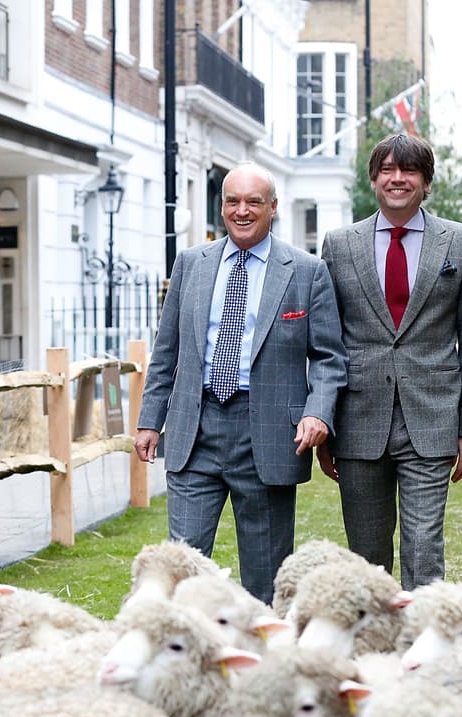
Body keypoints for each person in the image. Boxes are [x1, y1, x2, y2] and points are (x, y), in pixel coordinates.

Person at [134, 163, 347, 604]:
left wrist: (317, 411)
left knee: (265, 579)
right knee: (180, 568)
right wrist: (150, 420)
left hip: (268, 439)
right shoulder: (191, 264)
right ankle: (183, 658)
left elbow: (329, 358)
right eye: (233, 201)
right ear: (222, 207)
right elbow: (167, 350)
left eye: (254, 202)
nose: (242, 211)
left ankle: (263, 663)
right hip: (195, 431)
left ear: (273, 208)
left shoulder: (306, 271)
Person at [317, 133, 462, 591]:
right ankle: (374, 650)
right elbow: (325, 343)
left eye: (409, 171)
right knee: (367, 558)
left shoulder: (461, 243)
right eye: (388, 170)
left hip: (432, 421)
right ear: (373, 180)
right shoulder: (338, 245)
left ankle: (423, 650)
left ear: (426, 183)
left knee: (423, 549)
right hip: (356, 421)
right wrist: (322, 421)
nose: (398, 179)